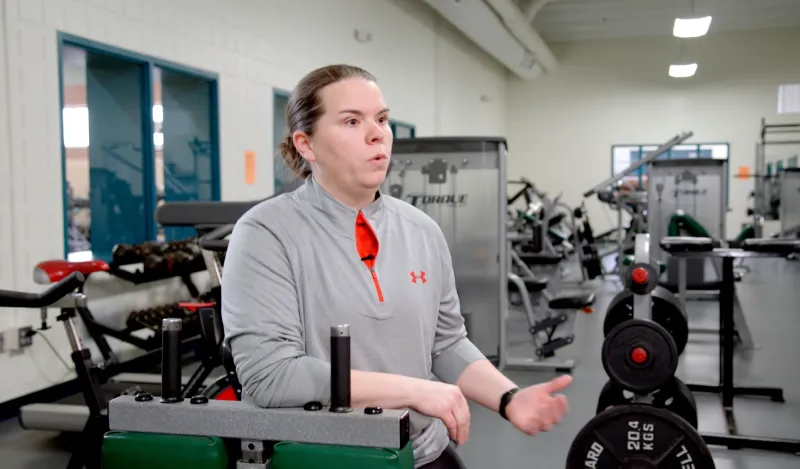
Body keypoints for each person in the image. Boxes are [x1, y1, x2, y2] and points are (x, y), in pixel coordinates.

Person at [221, 64, 572, 469]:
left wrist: (509, 398)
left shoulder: (421, 229)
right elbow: (271, 376)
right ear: (306, 144)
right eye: (352, 121)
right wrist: (415, 391)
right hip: (323, 458)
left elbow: (446, 342)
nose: (377, 134)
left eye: (382, 119)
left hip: (422, 453)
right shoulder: (266, 232)